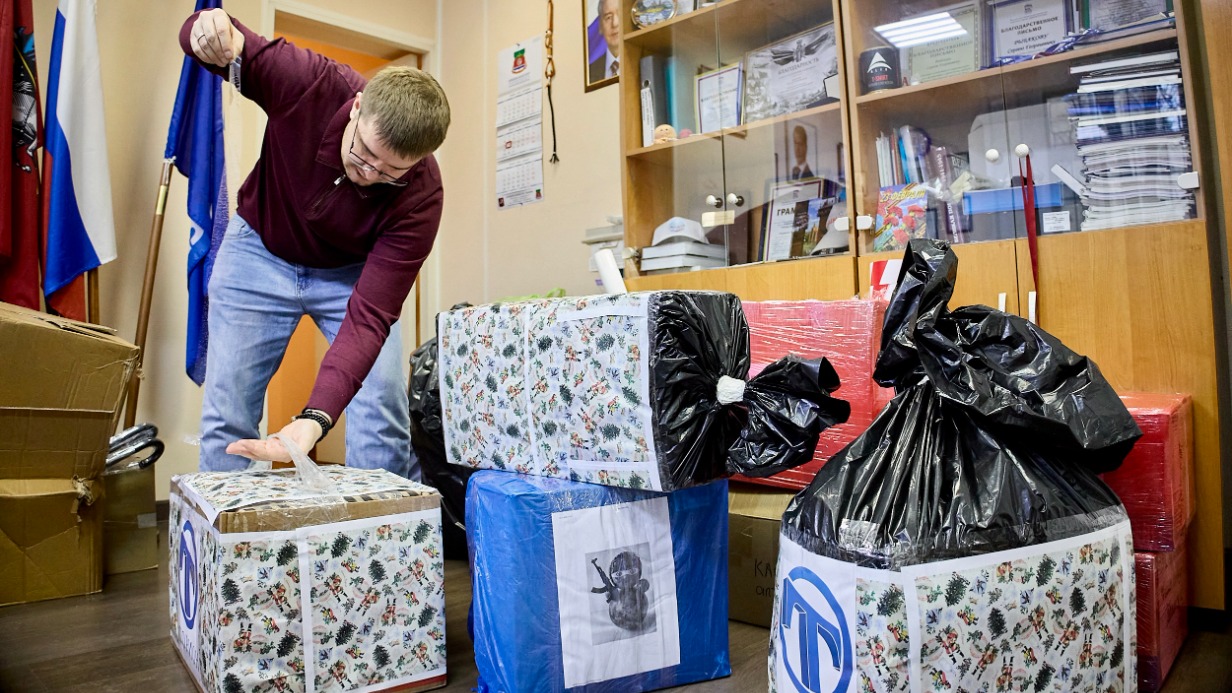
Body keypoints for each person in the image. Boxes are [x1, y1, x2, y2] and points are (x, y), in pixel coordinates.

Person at [181, 9, 450, 478]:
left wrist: (314, 420)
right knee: (227, 410)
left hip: (351, 274)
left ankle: (381, 543)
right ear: (358, 105)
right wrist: (205, 31)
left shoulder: (422, 196)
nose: (368, 175)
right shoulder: (312, 83)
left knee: (382, 409)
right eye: (363, 153)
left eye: (389, 172)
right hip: (257, 251)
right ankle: (231, 545)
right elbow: (217, 41)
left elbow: (369, 318)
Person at [588, 0, 621, 84]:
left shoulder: (644, 63)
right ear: (600, 26)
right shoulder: (591, 71)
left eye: (620, 14)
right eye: (608, 17)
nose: (615, 23)